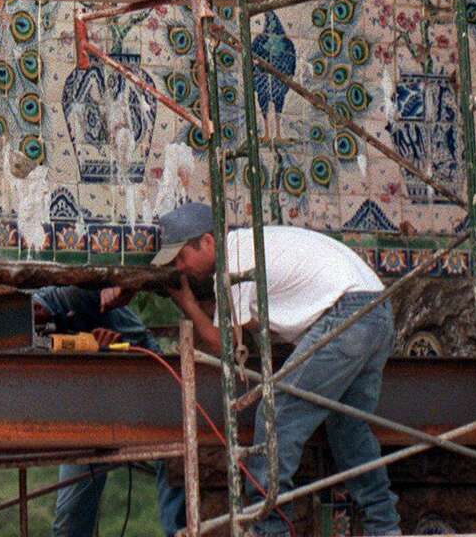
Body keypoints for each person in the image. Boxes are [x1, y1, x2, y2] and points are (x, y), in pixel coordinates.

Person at [151, 201, 401, 536]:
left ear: (208, 242)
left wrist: (188, 305)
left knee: (276, 417)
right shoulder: (250, 245)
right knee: (348, 428)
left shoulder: (234, 263)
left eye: (181, 257)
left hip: (346, 313)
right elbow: (251, 323)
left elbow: (225, 345)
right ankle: (384, 527)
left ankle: (271, 529)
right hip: (376, 310)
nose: (180, 268)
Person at [32, 285, 188, 537]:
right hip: (91, 402)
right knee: (71, 516)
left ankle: (178, 531)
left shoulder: (72, 296)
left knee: (175, 454)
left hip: (143, 373)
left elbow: (135, 332)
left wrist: (113, 346)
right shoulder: (32, 334)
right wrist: (93, 352)